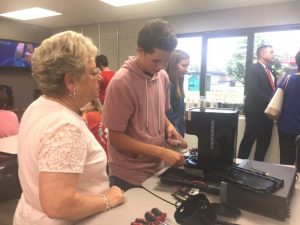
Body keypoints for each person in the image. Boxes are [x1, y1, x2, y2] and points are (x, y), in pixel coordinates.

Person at [13, 31, 125, 225]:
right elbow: (59, 205)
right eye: (93, 72)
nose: (99, 77)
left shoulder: (38, 106)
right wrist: (109, 198)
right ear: (70, 81)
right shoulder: (65, 126)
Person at [102, 18, 187, 191]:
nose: (161, 66)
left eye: (165, 60)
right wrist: (161, 152)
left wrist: (169, 127)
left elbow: (158, 113)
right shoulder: (122, 83)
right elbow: (116, 138)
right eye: (156, 61)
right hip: (128, 175)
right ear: (140, 51)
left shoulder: (162, 76)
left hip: (155, 169)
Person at [238, 45, 277, 161]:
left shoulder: (272, 71)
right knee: (248, 140)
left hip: (268, 114)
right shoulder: (253, 68)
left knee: (264, 143)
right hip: (255, 113)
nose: (273, 54)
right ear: (263, 54)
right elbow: (253, 90)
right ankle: (239, 167)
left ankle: (258, 168)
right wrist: (271, 102)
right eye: (271, 52)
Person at [277, 50, 300, 168]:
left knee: (286, 163)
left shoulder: (287, 80)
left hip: (286, 127)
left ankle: (286, 185)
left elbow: (274, 100)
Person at [166, 50, 190, 137]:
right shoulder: (169, 85)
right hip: (172, 136)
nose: (186, 70)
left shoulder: (178, 84)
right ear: (173, 65)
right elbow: (168, 116)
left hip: (178, 133)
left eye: (188, 66)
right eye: (184, 65)